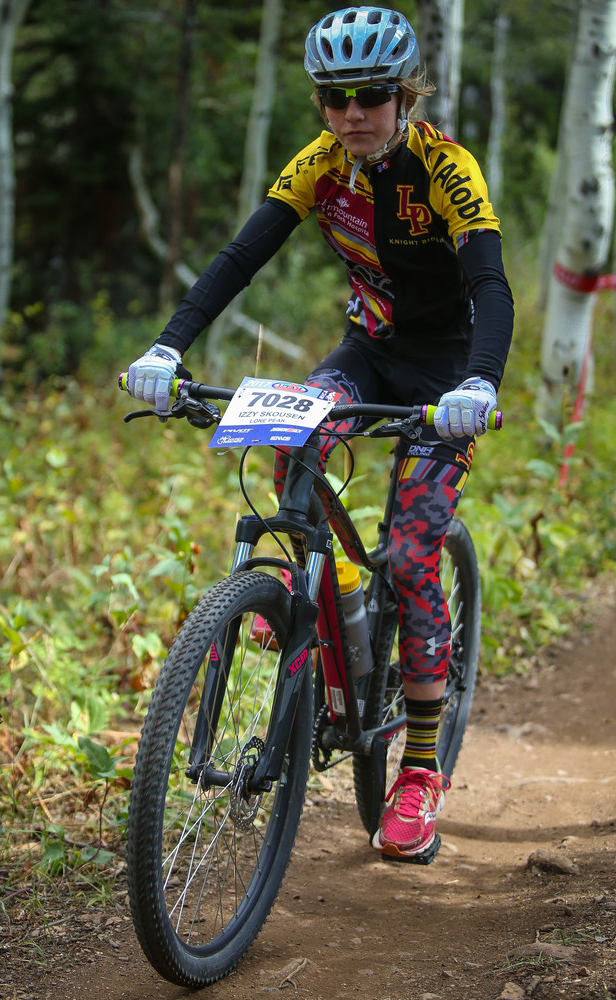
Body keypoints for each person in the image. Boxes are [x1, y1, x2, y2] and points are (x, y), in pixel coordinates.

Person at [125, 6, 514, 861]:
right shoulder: (319, 165)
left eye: (370, 95)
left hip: (448, 373)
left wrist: (480, 382)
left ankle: (419, 770)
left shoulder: (445, 168)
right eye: (334, 99)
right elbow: (239, 258)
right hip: (367, 351)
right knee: (289, 423)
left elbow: (489, 284)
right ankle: (323, 586)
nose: (351, 114)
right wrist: (167, 347)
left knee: (410, 554)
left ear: (403, 95)